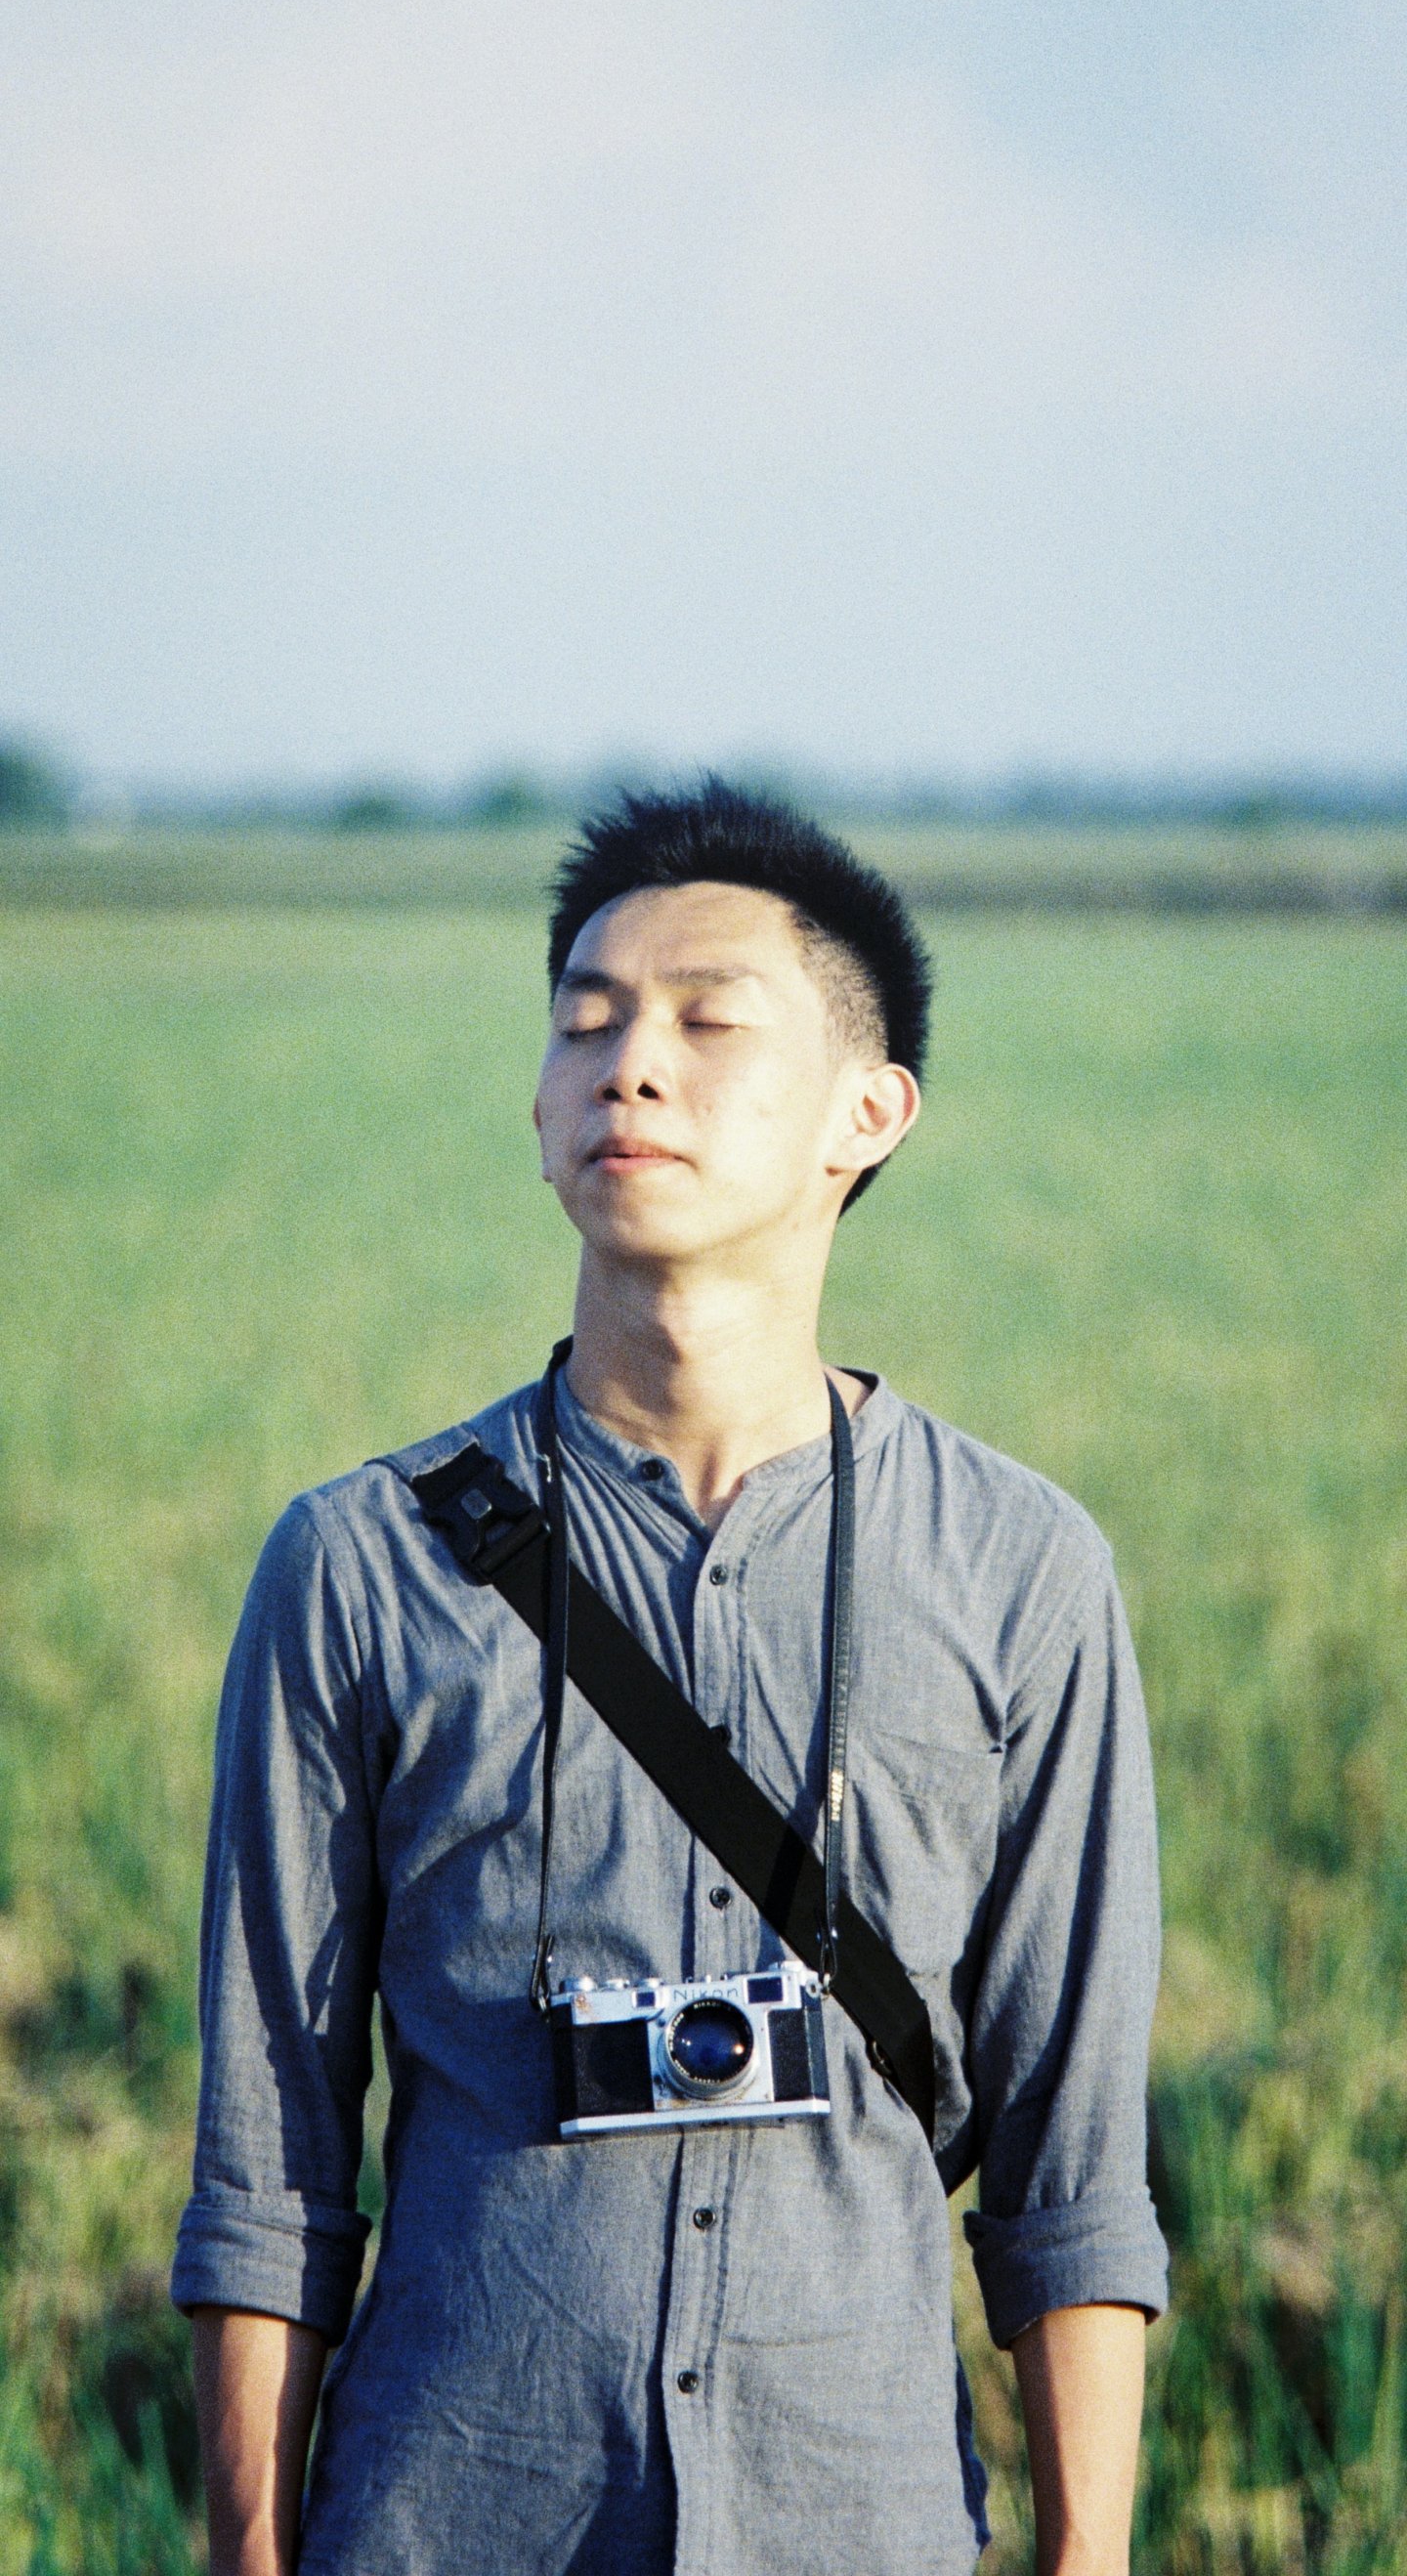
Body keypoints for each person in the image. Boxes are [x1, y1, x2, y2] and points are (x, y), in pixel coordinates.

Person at [173, 778, 1168, 2576]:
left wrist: (1087, 2556)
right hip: (450, 2516)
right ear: (539, 1102)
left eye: (710, 1024)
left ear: (868, 1113)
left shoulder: (1021, 1572)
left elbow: (1074, 2175)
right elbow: (268, 2173)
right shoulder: (358, 1566)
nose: (628, 1066)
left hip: (855, 2518)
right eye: (585, 1023)